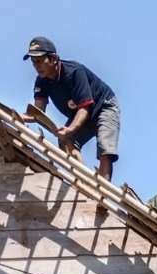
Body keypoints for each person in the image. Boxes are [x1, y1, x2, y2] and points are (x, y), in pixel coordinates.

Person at [24, 37, 121, 180]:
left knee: (105, 149)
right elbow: (37, 112)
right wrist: (20, 117)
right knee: (65, 142)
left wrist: (70, 130)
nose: (36, 66)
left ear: (53, 59)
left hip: (103, 106)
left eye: (39, 60)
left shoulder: (74, 72)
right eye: (33, 62)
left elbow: (85, 109)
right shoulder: (42, 81)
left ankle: (102, 193)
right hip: (80, 113)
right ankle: (83, 183)